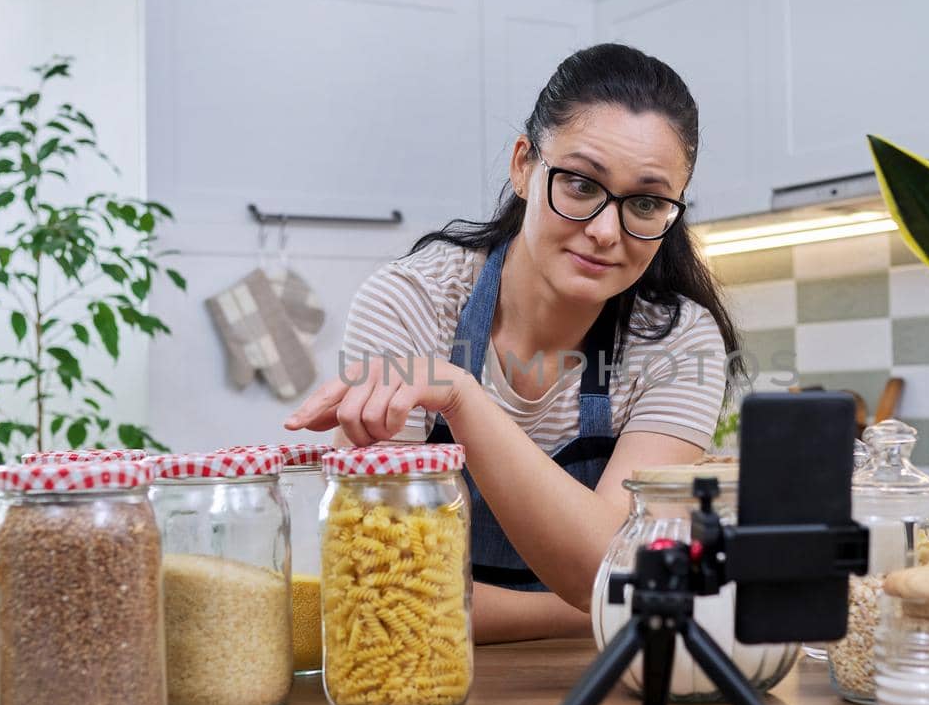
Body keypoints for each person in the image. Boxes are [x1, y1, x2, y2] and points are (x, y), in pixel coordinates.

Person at [285, 43, 743, 643]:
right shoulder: (414, 301)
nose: (607, 231)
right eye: (580, 185)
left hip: (608, 688)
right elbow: (383, 587)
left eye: (647, 203)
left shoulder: (680, 341)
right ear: (524, 165)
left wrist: (461, 398)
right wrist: (600, 604)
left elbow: (615, 572)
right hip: (422, 679)